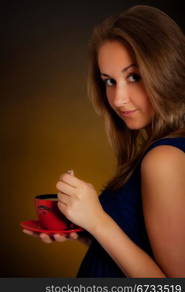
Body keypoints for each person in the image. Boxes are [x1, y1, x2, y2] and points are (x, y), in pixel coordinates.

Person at [23, 5, 185, 277]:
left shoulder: (164, 159)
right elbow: (138, 251)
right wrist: (84, 230)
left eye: (134, 77)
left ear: (167, 71)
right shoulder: (162, 150)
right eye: (109, 81)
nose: (119, 99)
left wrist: (98, 222)